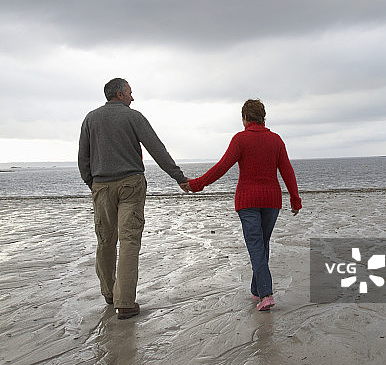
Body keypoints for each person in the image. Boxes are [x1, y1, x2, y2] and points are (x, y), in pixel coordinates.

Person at [78, 78, 189, 320]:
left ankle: (109, 293)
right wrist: (179, 178)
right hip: (131, 184)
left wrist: (93, 184)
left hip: (102, 186)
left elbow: (83, 159)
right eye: (130, 93)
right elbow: (157, 149)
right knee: (129, 241)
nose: (132, 97)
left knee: (105, 240)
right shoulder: (133, 116)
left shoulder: (90, 118)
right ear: (119, 94)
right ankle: (125, 302)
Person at [188, 99, 302, 311]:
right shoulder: (276, 140)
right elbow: (287, 171)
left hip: (248, 201)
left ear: (244, 118)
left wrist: (197, 184)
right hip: (271, 201)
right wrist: (295, 199)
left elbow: (222, 167)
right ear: (263, 117)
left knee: (257, 245)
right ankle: (256, 290)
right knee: (262, 243)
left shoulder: (241, 139)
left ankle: (266, 294)